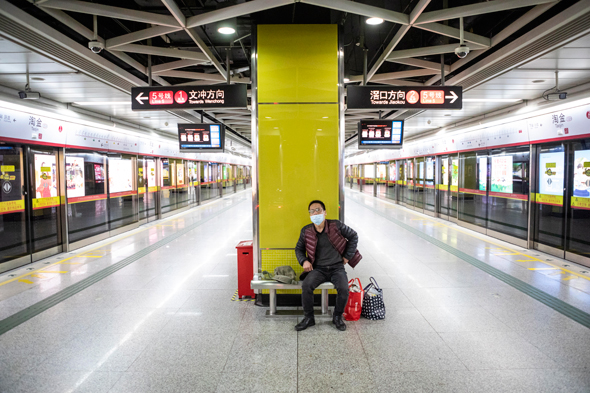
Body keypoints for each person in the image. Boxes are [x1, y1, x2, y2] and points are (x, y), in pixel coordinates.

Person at [294, 200, 361, 332]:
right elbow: (298, 249)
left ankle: (337, 317)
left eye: (318, 210)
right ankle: (309, 318)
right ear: (309, 215)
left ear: (325, 212)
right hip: (318, 269)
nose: (315, 213)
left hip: (337, 267)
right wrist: (304, 261)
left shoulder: (336, 225)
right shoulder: (306, 231)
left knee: (343, 289)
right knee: (306, 286)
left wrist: (347, 257)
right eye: (312, 211)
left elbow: (353, 236)